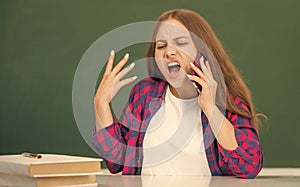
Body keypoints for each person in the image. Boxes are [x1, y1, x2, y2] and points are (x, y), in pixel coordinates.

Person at [92, 9, 263, 179]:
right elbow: (116, 162)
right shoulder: (145, 94)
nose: (169, 52)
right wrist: (101, 104)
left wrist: (210, 108)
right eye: (161, 46)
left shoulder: (227, 102)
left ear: (202, 49)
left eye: (180, 43)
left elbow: (249, 166)